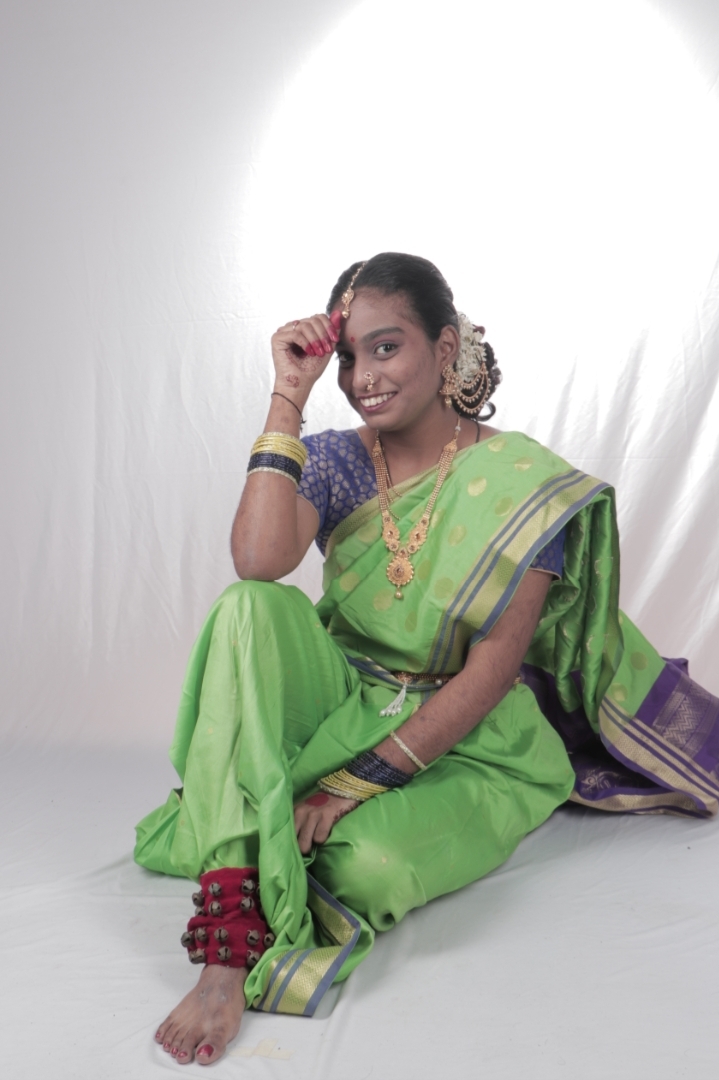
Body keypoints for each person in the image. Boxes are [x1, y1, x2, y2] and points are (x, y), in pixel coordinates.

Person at [135, 252, 719, 1066]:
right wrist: (287, 397)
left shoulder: (523, 485)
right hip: (347, 699)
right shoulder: (337, 460)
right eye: (347, 357)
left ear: (445, 349)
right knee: (248, 607)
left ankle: (257, 820)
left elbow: (492, 668)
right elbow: (258, 561)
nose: (362, 378)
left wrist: (353, 783)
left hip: (476, 739)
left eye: (386, 348)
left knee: (364, 868)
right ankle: (227, 943)